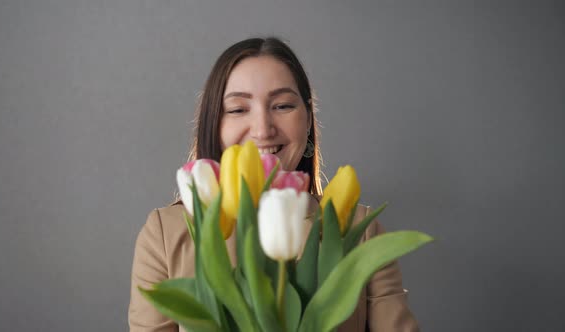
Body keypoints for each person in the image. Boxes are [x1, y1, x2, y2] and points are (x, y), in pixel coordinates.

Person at [128, 37, 419, 332]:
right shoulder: (166, 234)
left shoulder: (357, 232)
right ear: (214, 125)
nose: (263, 129)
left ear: (307, 121)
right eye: (239, 109)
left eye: (282, 105)